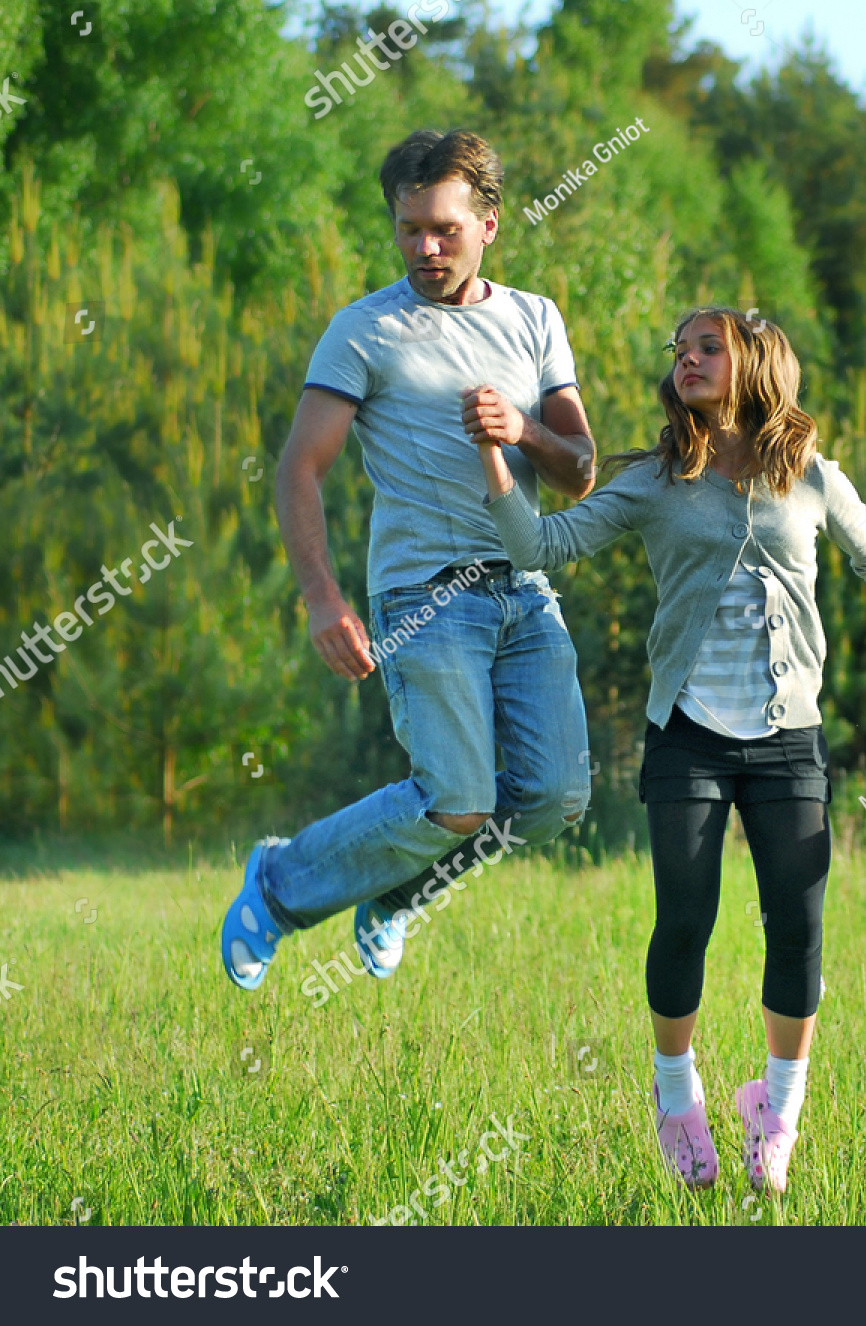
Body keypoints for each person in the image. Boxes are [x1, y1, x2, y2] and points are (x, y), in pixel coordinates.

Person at [476, 306, 866, 1192]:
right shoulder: (658, 481)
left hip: (788, 734)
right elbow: (542, 545)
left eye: (708, 348)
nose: (687, 362)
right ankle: (678, 1099)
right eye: (680, 352)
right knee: (686, 922)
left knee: (799, 925)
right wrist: (494, 455)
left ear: (756, 364)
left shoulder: (814, 478)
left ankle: (777, 1111)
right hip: (690, 735)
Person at [220, 130, 595, 992]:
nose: (426, 247)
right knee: (457, 801)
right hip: (424, 598)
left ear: (489, 224)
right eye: (409, 228)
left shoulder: (536, 319)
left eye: (444, 229)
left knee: (552, 800)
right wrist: (322, 598)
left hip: (526, 592)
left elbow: (578, 472)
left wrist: (525, 429)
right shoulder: (366, 330)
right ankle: (277, 888)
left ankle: (398, 895)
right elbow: (299, 468)